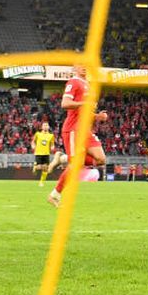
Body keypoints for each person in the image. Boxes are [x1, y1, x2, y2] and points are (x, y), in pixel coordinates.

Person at [48, 64, 108, 208]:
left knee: (101, 159)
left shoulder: (87, 84)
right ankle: (54, 195)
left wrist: (97, 117)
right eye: (81, 66)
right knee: (76, 165)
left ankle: (62, 158)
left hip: (85, 130)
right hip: (73, 129)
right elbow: (65, 103)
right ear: (74, 70)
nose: (85, 67)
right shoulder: (73, 82)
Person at [32, 121, 65, 187]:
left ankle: (41, 182)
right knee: (39, 167)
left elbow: (52, 144)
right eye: (44, 125)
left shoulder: (51, 136)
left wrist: (52, 147)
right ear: (41, 127)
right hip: (38, 153)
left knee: (45, 168)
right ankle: (35, 167)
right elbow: (33, 142)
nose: (45, 126)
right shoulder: (37, 134)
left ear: (49, 127)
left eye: (47, 125)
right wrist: (33, 146)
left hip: (46, 153)